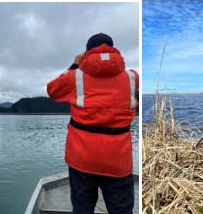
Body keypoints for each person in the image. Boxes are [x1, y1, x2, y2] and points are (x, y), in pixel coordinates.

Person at [47, 33, 139, 214]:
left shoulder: (75, 76)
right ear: (113, 49)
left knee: (82, 208)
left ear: (87, 52)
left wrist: (75, 64)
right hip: (118, 159)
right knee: (121, 209)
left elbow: (53, 89)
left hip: (82, 158)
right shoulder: (132, 77)